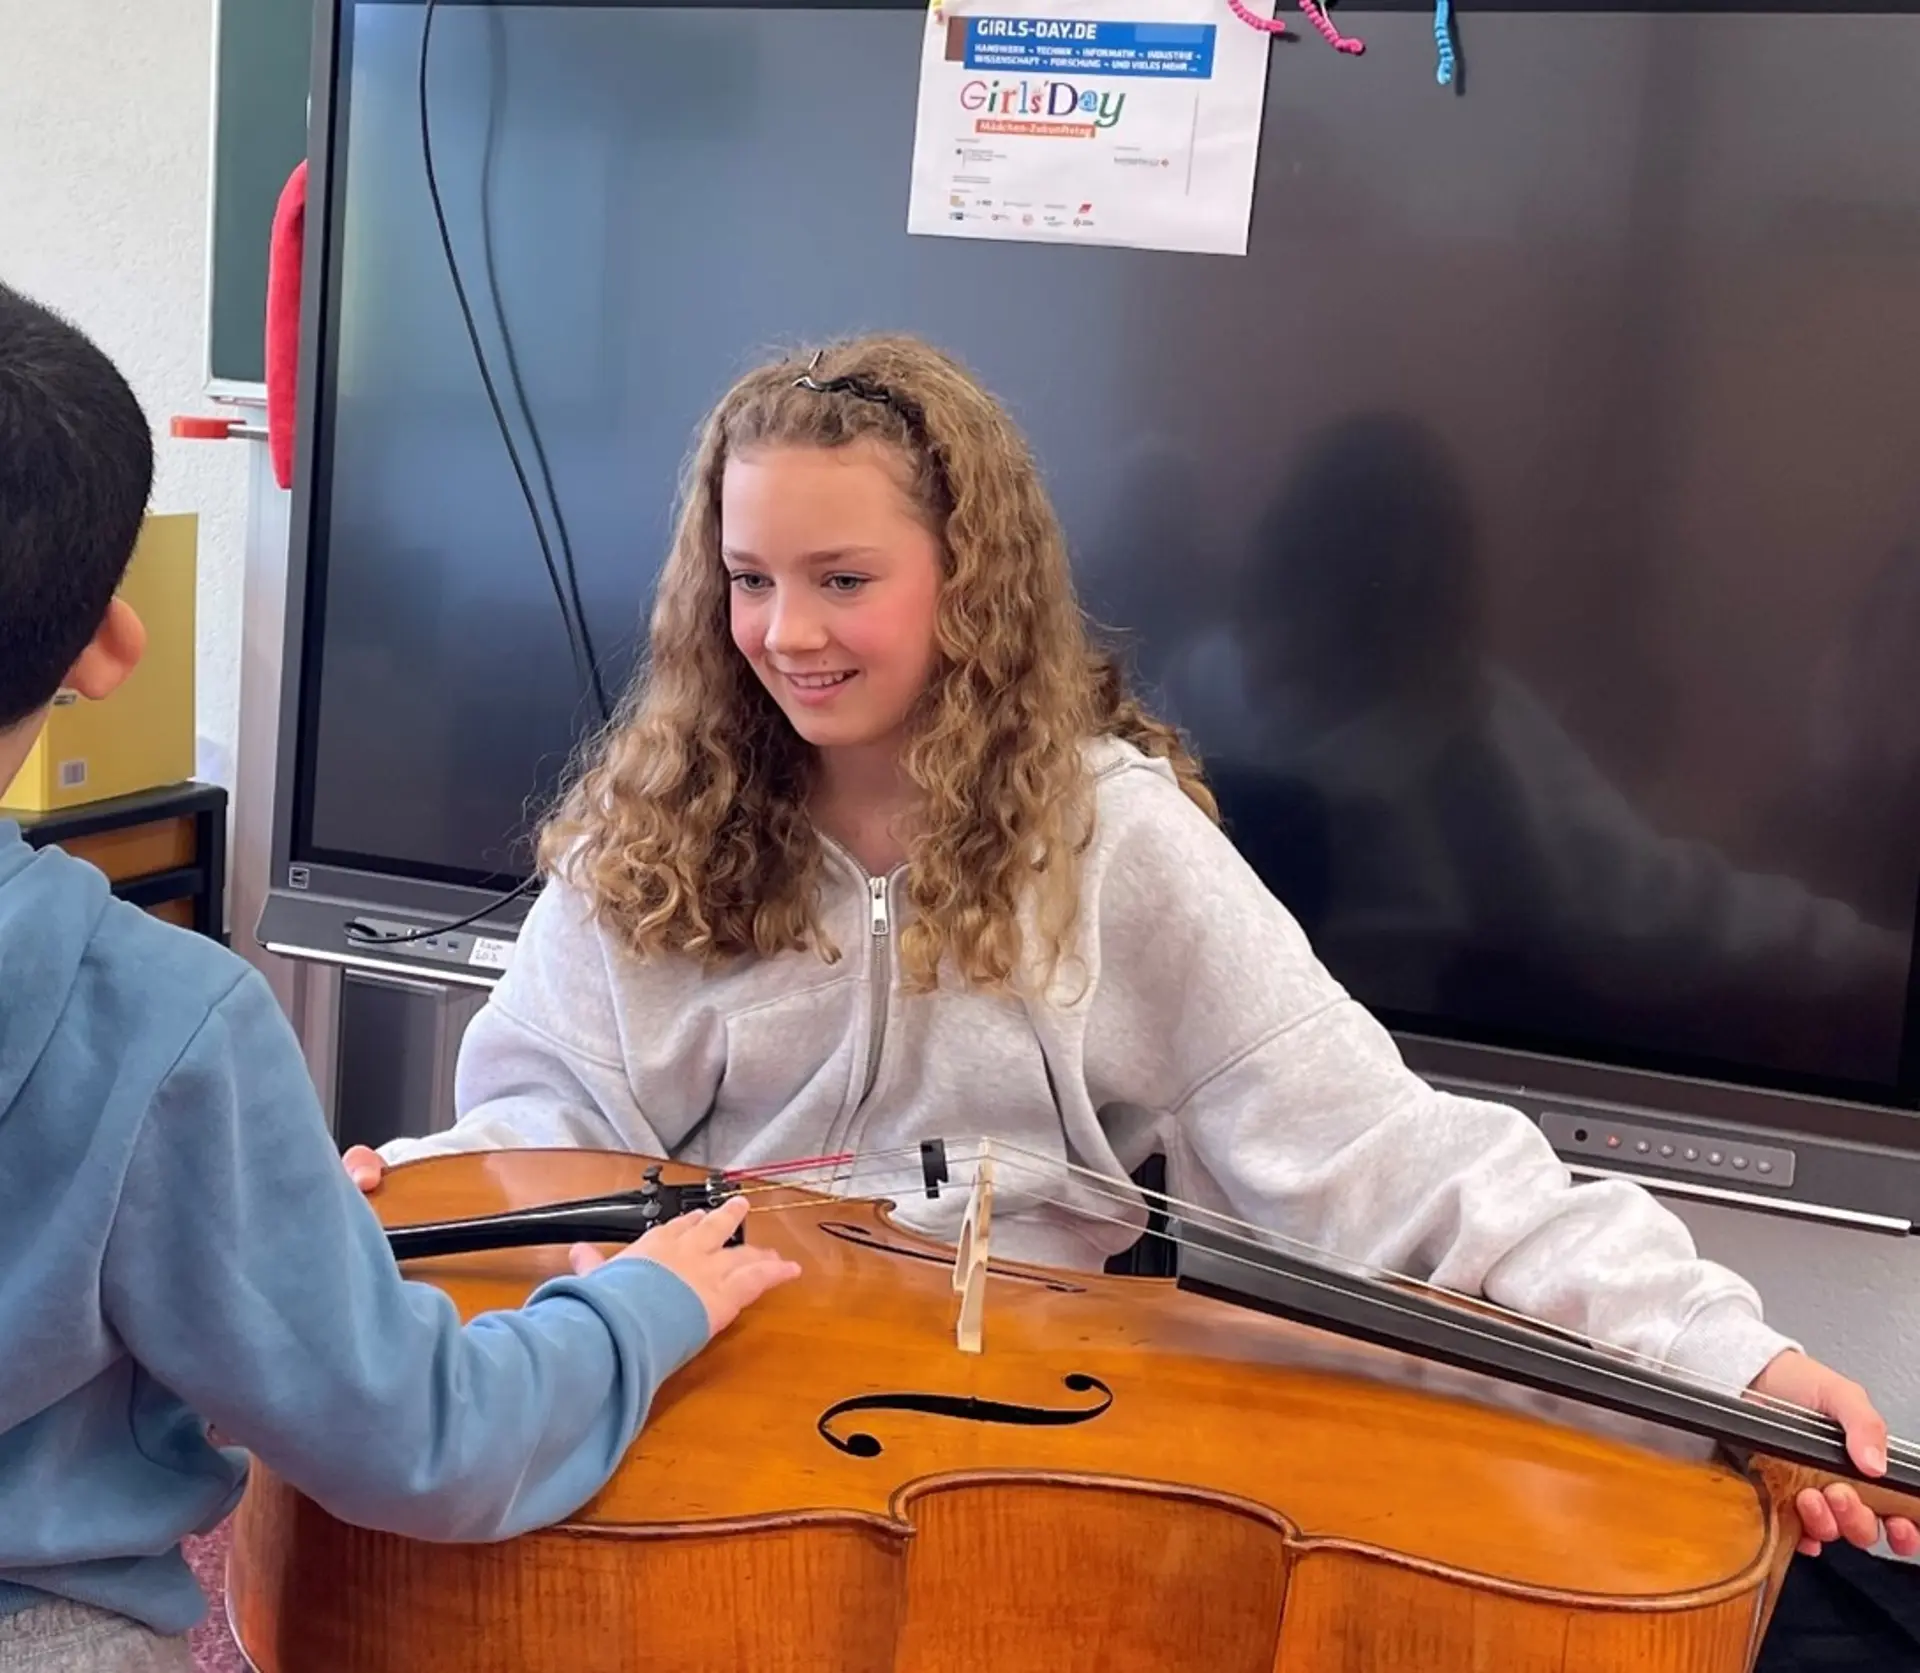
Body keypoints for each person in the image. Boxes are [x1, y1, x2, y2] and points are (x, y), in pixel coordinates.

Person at [348, 331, 1915, 1563]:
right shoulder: (654, 823)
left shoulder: (1115, 836)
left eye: (844, 582)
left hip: (1008, 1446)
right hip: (699, 1398)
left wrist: (1731, 1361)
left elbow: (1395, 1158)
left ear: (968, 582)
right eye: (749, 582)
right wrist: (389, 1194)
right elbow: (535, 1137)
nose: (787, 634)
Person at [0, 282, 799, 1673]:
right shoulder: (159, 1026)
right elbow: (421, 1438)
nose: (793, 635)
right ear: (109, 647)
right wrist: (643, 1306)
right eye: (753, 581)